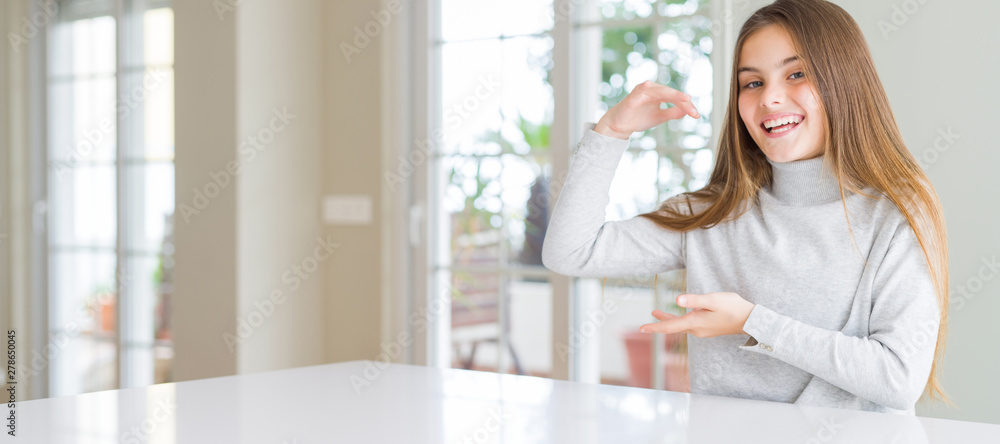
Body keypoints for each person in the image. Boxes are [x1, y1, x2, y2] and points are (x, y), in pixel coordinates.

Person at [541, 0, 952, 415]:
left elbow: (899, 378)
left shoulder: (896, 214)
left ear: (844, 81)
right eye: (751, 83)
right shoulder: (711, 215)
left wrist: (753, 322)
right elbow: (571, 251)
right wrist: (610, 133)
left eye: (796, 74)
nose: (770, 98)